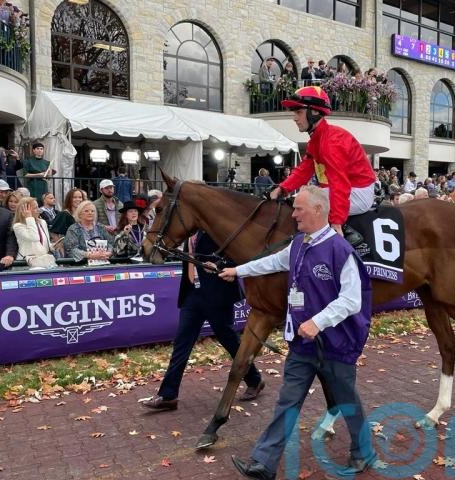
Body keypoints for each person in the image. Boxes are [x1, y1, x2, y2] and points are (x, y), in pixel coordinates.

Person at [222, 186, 376, 479]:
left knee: (347, 402)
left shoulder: (341, 250)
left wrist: (318, 321)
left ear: (317, 210)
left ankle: (364, 452)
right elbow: (271, 262)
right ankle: (263, 463)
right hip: (302, 345)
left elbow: (352, 300)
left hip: (335, 345)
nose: (293, 214)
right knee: (287, 402)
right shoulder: (297, 245)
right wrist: (238, 271)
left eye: (298, 209)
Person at [143, 229, 265, 411]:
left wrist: (219, 265)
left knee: (230, 341)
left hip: (216, 294)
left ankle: (254, 379)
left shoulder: (216, 226)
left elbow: (239, 254)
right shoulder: (188, 230)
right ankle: (168, 395)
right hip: (192, 294)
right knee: (181, 343)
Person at [271, 86, 376, 243]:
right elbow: (304, 170)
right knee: (302, 197)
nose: (295, 118)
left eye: (298, 112)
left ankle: (346, 232)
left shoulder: (332, 141)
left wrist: (337, 222)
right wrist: (282, 188)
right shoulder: (316, 139)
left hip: (359, 191)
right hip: (343, 188)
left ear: (314, 112)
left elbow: (339, 184)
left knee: (308, 201)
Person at [12, 197, 55, 268]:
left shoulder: (42, 222)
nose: (39, 210)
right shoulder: (18, 226)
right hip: (27, 264)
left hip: (44, 262)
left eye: (38, 207)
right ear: (25, 210)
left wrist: (52, 246)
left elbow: (43, 242)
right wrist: (29, 218)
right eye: (35, 208)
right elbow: (34, 237)